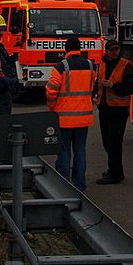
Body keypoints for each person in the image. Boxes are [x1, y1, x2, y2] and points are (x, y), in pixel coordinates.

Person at [45, 36, 95, 191]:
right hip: (84, 117)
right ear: (79, 48)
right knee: (80, 150)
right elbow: (92, 88)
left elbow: (51, 91)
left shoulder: (61, 67)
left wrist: (53, 108)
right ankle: (80, 185)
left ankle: (63, 185)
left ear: (66, 49)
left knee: (64, 150)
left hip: (64, 118)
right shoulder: (90, 65)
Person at [94, 40, 133, 184]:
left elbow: (132, 87)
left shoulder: (125, 65)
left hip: (118, 110)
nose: (115, 52)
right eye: (112, 49)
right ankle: (116, 171)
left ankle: (114, 174)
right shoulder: (102, 64)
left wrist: (113, 86)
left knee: (114, 142)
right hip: (104, 108)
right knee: (107, 142)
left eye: (117, 49)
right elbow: (96, 83)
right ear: (106, 51)